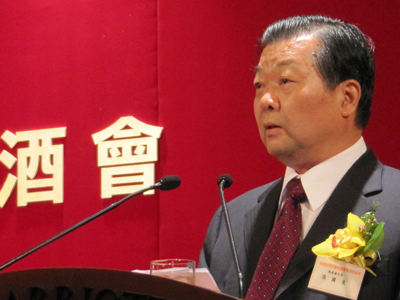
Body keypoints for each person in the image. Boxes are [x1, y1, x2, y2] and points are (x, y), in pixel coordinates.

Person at [199, 15, 400, 300]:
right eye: (259, 86)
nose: (267, 100)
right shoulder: (230, 219)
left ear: (347, 97)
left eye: (284, 80)